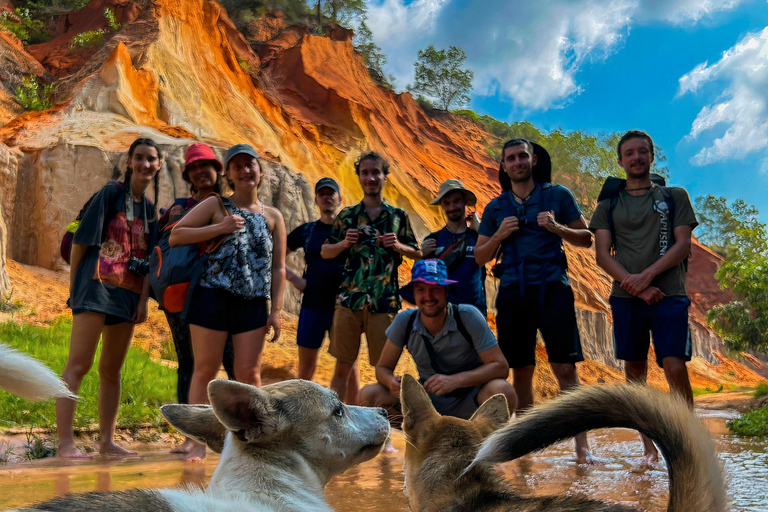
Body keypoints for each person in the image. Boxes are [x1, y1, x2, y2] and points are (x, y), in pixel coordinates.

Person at [475, 138, 595, 464]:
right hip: (513, 292)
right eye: (510, 158)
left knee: (565, 368)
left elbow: (586, 238)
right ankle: (525, 447)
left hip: (553, 287)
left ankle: (582, 448)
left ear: (533, 161)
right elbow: (479, 256)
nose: (517, 162)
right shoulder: (496, 208)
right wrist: (499, 235)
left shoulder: (558, 195)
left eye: (522, 157)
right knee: (521, 370)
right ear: (503, 166)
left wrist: (557, 228)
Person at [170, 143, 286, 461]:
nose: (245, 170)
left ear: (260, 171)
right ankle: (196, 441)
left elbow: (278, 268)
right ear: (229, 174)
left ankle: (256, 441)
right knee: (203, 370)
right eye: (237, 166)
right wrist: (219, 227)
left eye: (250, 164)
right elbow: (176, 235)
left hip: (252, 302)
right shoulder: (216, 204)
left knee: (250, 373)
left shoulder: (274, 217)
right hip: (211, 296)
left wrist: (276, 311)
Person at [589, 130, 698, 464]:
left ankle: (687, 440)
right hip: (626, 298)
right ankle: (649, 447)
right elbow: (602, 255)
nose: (636, 158)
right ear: (620, 161)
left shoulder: (674, 196)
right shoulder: (608, 204)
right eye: (630, 153)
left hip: (670, 294)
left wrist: (648, 276)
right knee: (634, 371)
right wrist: (636, 286)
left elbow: (683, 245)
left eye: (642, 152)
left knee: (674, 365)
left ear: (652, 156)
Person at [57, 137, 161, 458]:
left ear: (157, 166)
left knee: (111, 370)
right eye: (139, 158)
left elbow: (148, 260)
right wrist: (74, 289)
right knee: (79, 364)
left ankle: (107, 443)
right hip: (95, 286)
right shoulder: (110, 193)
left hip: (128, 295)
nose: (145, 164)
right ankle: (65, 445)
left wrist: (143, 300)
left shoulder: (150, 210)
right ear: (129, 161)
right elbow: (81, 242)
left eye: (151, 159)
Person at [321, 151, 420, 403]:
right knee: (343, 367)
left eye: (376, 172)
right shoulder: (347, 215)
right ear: (359, 177)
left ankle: (383, 432)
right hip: (349, 301)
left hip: (383, 303)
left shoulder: (398, 217)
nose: (370, 177)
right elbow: (325, 251)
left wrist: (398, 245)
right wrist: (344, 243)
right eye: (365, 172)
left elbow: (418, 253)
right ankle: (334, 424)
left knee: (384, 372)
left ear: (385, 176)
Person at [361, 259, 516, 419]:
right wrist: (391, 382)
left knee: (503, 391)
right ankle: (404, 442)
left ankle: (482, 441)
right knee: (369, 395)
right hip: (426, 402)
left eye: (435, 289)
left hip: (471, 400)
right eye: (421, 289)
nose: (428, 296)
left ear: (446, 290)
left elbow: (500, 367)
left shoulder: (467, 316)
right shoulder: (405, 321)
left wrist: (455, 381)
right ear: (413, 292)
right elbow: (382, 368)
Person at [158, 143, 235, 455]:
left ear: (217, 170)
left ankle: (240, 434)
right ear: (188, 174)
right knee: (188, 364)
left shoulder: (234, 206)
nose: (201, 171)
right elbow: (163, 249)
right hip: (183, 295)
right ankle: (191, 436)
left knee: (231, 363)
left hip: (223, 295)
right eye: (194, 167)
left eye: (207, 166)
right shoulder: (178, 208)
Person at [285, 177, 359, 400]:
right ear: (317, 199)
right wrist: (294, 278)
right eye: (322, 194)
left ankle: (354, 416)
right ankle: (301, 416)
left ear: (340, 198)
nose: (327, 197)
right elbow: (276, 253)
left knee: (350, 369)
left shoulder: (351, 233)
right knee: (306, 370)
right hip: (313, 304)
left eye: (331, 193)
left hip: (343, 307)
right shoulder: (307, 231)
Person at [420, 179, 486, 315]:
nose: (452, 207)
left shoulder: (477, 237)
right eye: (446, 203)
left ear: (465, 201)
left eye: (456, 201)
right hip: (443, 318)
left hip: (475, 317)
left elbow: (499, 254)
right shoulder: (433, 240)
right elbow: (425, 283)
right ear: (442, 206)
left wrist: (479, 228)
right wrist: (422, 256)